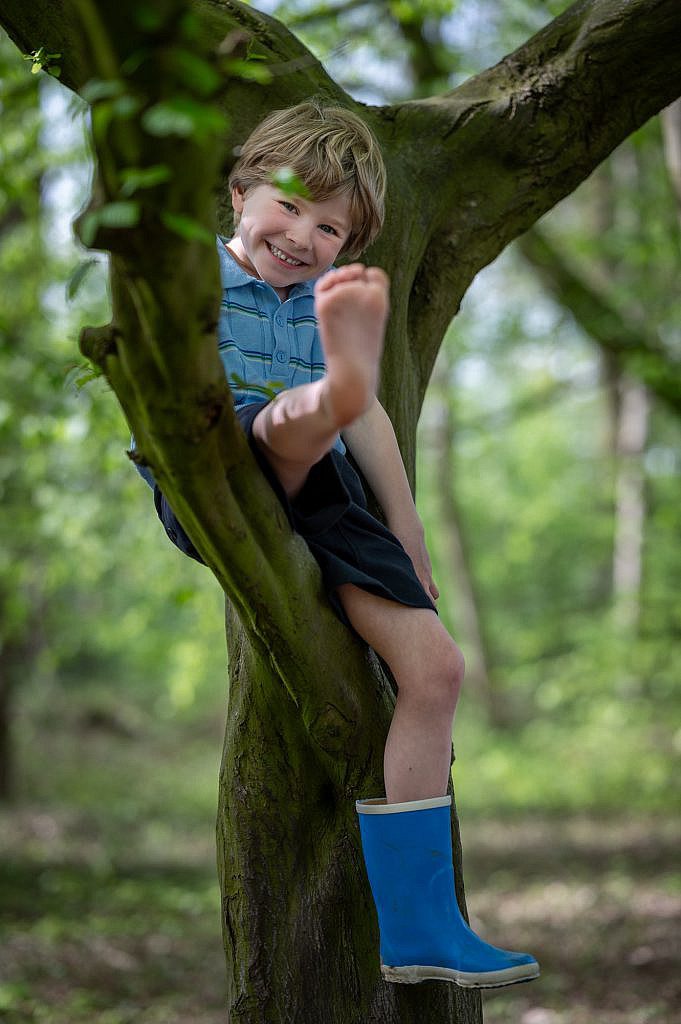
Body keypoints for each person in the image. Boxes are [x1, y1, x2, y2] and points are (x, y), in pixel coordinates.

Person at [141, 100, 539, 990]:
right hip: (215, 477)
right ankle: (334, 393)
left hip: (323, 492)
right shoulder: (185, 278)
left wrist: (410, 537)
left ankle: (421, 927)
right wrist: (339, 393)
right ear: (239, 193)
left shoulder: (322, 300)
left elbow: (375, 445)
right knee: (280, 423)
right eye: (289, 207)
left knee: (435, 671)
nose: (305, 235)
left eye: (332, 228)